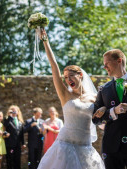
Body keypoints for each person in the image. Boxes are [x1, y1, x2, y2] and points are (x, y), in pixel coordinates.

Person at [37, 29, 105, 169]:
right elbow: (54, 66)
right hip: (65, 145)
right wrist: (46, 42)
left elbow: (102, 118)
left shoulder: (95, 97)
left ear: (80, 75)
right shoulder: (65, 94)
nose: (68, 80)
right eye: (65, 77)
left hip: (85, 147)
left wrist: (103, 109)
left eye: (71, 76)